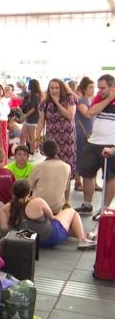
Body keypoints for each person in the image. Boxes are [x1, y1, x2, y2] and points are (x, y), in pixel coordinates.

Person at [0, 179, 96, 250]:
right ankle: (82, 240)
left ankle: (88, 236)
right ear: (29, 192)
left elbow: (4, 230)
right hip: (50, 236)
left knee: (64, 225)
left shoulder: (5, 209)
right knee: (71, 212)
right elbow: (51, 217)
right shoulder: (38, 202)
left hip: (30, 241)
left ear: (13, 193)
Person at [75, 74, 115, 218]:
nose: (99, 91)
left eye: (103, 88)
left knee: (110, 177)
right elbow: (91, 112)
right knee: (87, 173)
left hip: (110, 143)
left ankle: (104, 209)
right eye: (98, 87)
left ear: (112, 87)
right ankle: (87, 205)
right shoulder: (100, 97)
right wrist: (109, 98)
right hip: (93, 142)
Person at [37, 78, 78, 185]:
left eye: (57, 87)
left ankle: (66, 198)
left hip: (67, 139)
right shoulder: (45, 103)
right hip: (52, 140)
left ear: (62, 88)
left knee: (67, 169)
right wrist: (37, 138)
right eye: (52, 88)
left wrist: (57, 102)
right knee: (52, 167)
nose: (54, 90)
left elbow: (70, 115)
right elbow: (41, 122)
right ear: (48, 89)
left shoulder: (70, 98)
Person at [28, 140, 71, 214]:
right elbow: (67, 187)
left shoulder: (38, 167)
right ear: (57, 150)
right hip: (58, 208)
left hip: (39, 207)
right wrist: (67, 202)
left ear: (43, 151)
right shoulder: (67, 167)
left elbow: (28, 187)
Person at [74, 77, 96, 191]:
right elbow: (87, 114)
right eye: (90, 87)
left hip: (91, 132)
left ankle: (94, 183)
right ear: (84, 89)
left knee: (92, 158)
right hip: (83, 133)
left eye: (93, 87)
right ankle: (78, 182)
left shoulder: (91, 101)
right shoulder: (82, 101)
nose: (93, 89)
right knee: (80, 157)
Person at [21, 79, 43, 154]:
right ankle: (26, 151)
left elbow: (33, 108)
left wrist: (25, 115)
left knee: (31, 137)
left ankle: (32, 152)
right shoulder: (34, 95)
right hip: (30, 118)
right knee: (25, 135)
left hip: (32, 118)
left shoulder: (34, 96)